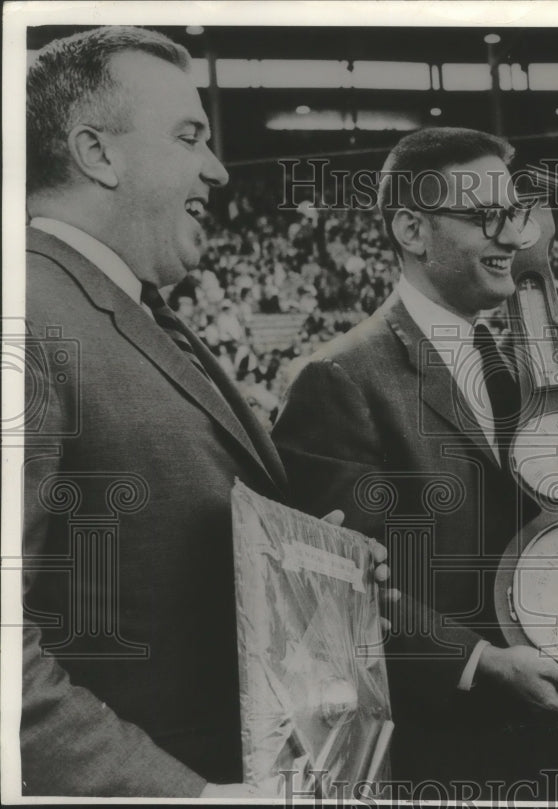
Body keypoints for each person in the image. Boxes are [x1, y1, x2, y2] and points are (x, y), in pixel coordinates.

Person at [21, 26, 392, 798]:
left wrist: (322, 579)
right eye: (190, 136)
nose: (219, 169)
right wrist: (188, 796)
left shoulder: (135, 308)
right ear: (97, 153)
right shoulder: (26, 313)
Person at [272, 127, 558, 798]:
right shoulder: (338, 379)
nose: (512, 237)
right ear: (413, 230)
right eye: (486, 218)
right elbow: (344, 589)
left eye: (515, 214)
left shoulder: (523, 366)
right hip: (440, 755)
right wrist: (484, 662)